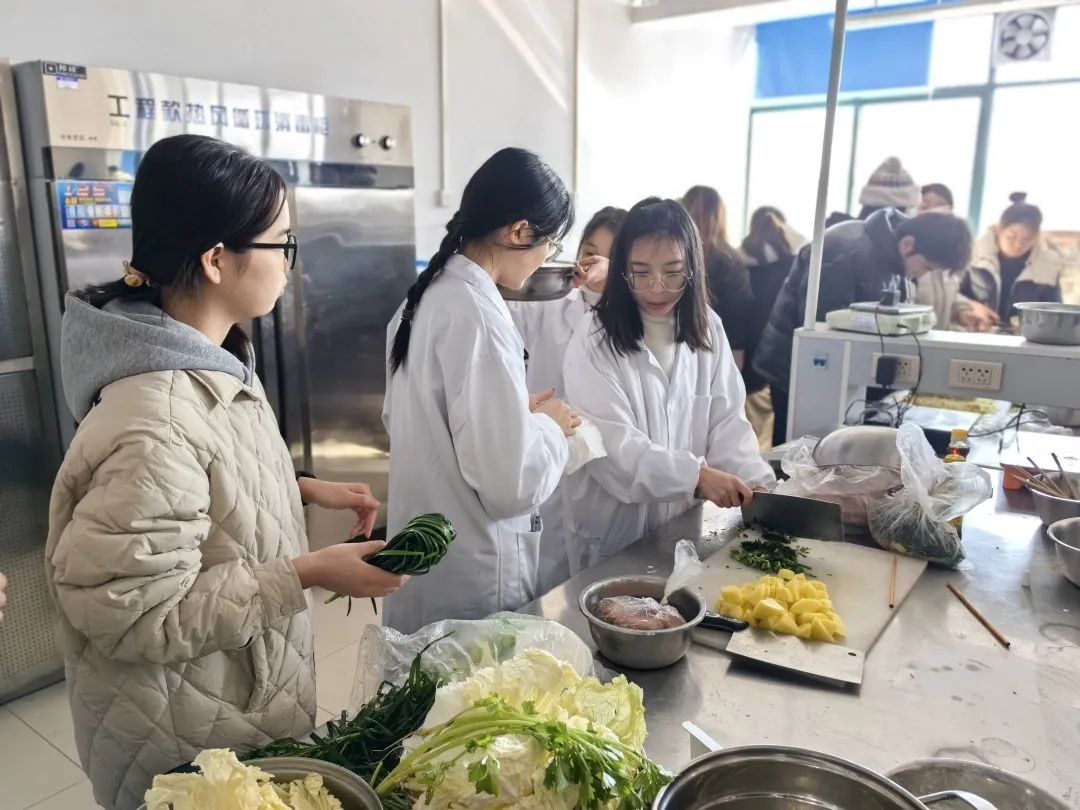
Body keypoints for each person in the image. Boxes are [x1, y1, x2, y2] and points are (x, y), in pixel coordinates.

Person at [43, 135, 406, 810]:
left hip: (228, 709)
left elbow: (197, 487)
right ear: (215, 259)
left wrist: (297, 487)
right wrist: (308, 572)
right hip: (187, 746)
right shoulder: (156, 416)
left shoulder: (207, 359)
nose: (289, 263)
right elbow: (134, 614)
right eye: (282, 243)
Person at [383, 147, 580, 634]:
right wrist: (548, 427)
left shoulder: (425, 298)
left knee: (425, 678)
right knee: (471, 681)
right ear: (520, 231)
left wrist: (512, 414)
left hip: (430, 557)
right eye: (551, 244)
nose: (547, 258)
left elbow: (416, 421)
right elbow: (511, 484)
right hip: (473, 572)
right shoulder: (478, 315)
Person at [563, 198, 775, 572]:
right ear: (622, 270)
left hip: (681, 528)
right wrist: (696, 477)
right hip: (612, 535)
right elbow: (613, 449)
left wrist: (755, 482)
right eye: (640, 273)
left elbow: (726, 421)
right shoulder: (593, 340)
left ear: (692, 268)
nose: (657, 288)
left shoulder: (708, 328)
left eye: (673, 272)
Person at [754, 210, 973, 443]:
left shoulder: (892, 256)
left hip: (835, 374)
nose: (923, 274)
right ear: (908, 244)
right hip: (797, 370)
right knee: (798, 450)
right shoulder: (844, 252)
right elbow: (825, 333)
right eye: (926, 267)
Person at [508, 205, 627, 592]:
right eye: (589, 250)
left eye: (610, 256)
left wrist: (610, 284)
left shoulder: (631, 320)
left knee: (597, 586)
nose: (593, 262)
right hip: (548, 463)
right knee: (544, 577)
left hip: (608, 474)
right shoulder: (548, 307)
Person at [740, 207, 806, 448]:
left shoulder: (739, 264)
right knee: (778, 431)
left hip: (744, 358)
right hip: (779, 359)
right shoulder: (794, 265)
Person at [962, 192, 1064, 324]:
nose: (1018, 244)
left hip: (1023, 334)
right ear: (999, 230)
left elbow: (1055, 310)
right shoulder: (973, 255)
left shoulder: (1048, 266)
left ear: (1037, 237)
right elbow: (953, 295)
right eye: (1011, 236)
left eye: (1027, 239)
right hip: (974, 329)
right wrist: (971, 306)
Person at [681, 185, 754, 366]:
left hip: (676, 349)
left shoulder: (674, 256)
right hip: (717, 354)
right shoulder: (730, 260)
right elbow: (738, 315)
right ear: (719, 216)